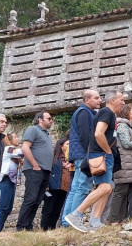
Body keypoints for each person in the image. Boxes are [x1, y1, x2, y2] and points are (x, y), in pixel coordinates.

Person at [65, 91, 125, 232]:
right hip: (101, 155)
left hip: (100, 154)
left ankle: (95, 222)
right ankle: (75, 215)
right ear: (112, 101)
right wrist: (108, 151)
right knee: (104, 188)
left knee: (106, 188)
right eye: (121, 100)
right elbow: (98, 133)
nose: (123, 103)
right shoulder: (107, 112)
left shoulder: (108, 113)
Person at [60, 90, 101, 227]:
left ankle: (67, 222)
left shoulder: (84, 112)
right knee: (82, 188)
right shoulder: (84, 112)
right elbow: (85, 135)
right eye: (96, 98)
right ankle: (73, 221)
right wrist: (92, 153)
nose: (99, 100)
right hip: (84, 155)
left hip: (79, 155)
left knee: (76, 188)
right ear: (87, 99)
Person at [16, 111, 54, 231]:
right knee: (30, 198)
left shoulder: (46, 134)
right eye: (49, 118)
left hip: (45, 171)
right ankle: (21, 226)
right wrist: (35, 165)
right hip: (35, 170)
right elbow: (25, 147)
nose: (51, 120)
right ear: (40, 120)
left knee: (37, 200)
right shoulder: (33, 130)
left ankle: (28, 226)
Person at [108, 104, 132, 224]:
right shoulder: (122, 126)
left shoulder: (129, 127)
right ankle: (113, 219)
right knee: (120, 192)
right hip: (125, 164)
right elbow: (126, 144)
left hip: (130, 165)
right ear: (127, 112)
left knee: (126, 192)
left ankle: (120, 219)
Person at [0, 133, 23, 234]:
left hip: (11, 181)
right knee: (4, 206)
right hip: (6, 179)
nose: (18, 138)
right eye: (16, 137)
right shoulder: (8, 148)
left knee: (8, 208)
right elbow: (21, 153)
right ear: (9, 140)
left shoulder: (11, 151)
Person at [42, 137, 71, 230]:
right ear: (61, 146)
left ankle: (52, 229)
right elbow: (47, 171)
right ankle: (44, 229)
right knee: (49, 209)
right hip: (52, 187)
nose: (69, 146)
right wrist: (46, 185)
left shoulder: (70, 158)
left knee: (57, 210)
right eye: (67, 144)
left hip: (64, 188)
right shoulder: (54, 157)